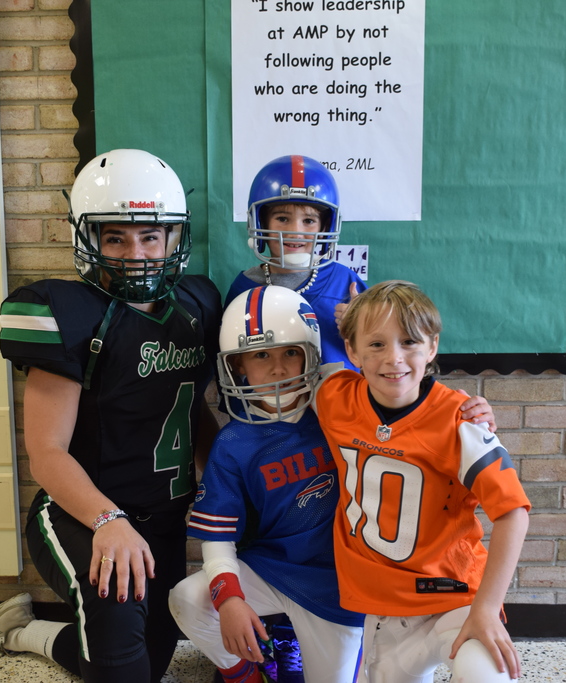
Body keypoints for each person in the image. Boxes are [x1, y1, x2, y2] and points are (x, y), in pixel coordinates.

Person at [0, 148, 222, 683]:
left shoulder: (197, 304)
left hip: (161, 521)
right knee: (121, 651)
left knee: (146, 659)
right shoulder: (67, 312)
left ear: (174, 237)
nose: (135, 253)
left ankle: (22, 632)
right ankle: (56, 625)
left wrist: (217, 482)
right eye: (115, 238)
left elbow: (191, 410)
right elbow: (46, 451)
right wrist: (107, 520)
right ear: (87, 239)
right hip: (81, 513)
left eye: (149, 236)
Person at [315, 280, 531, 683]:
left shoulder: (462, 422)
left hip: (453, 596)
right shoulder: (333, 396)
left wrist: (486, 609)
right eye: (376, 345)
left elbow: (513, 513)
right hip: (382, 604)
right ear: (352, 352)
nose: (393, 358)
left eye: (409, 342)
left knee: (487, 674)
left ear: (432, 347)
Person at [168, 285, 365, 683]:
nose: (277, 368)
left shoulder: (346, 411)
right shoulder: (234, 442)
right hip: (274, 569)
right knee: (189, 599)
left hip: (342, 582)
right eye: (261, 354)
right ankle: (246, 675)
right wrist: (230, 600)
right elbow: (218, 536)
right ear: (237, 365)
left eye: (291, 352)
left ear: (312, 353)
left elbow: (410, 403)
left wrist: (464, 411)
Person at [225, 154, 366, 370]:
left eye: (308, 220)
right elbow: (235, 364)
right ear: (261, 222)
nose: (295, 231)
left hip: (338, 401)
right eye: (282, 219)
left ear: (325, 227)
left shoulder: (346, 282)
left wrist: (364, 325)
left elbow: (380, 348)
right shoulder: (244, 287)